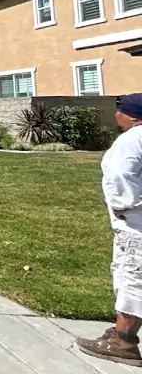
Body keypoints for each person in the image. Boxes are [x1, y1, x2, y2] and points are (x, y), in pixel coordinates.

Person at [77, 94, 142, 366]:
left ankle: (123, 341)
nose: (116, 115)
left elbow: (119, 176)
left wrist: (123, 206)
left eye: (120, 110)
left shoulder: (131, 139)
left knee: (132, 276)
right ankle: (123, 332)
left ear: (132, 115)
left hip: (135, 226)